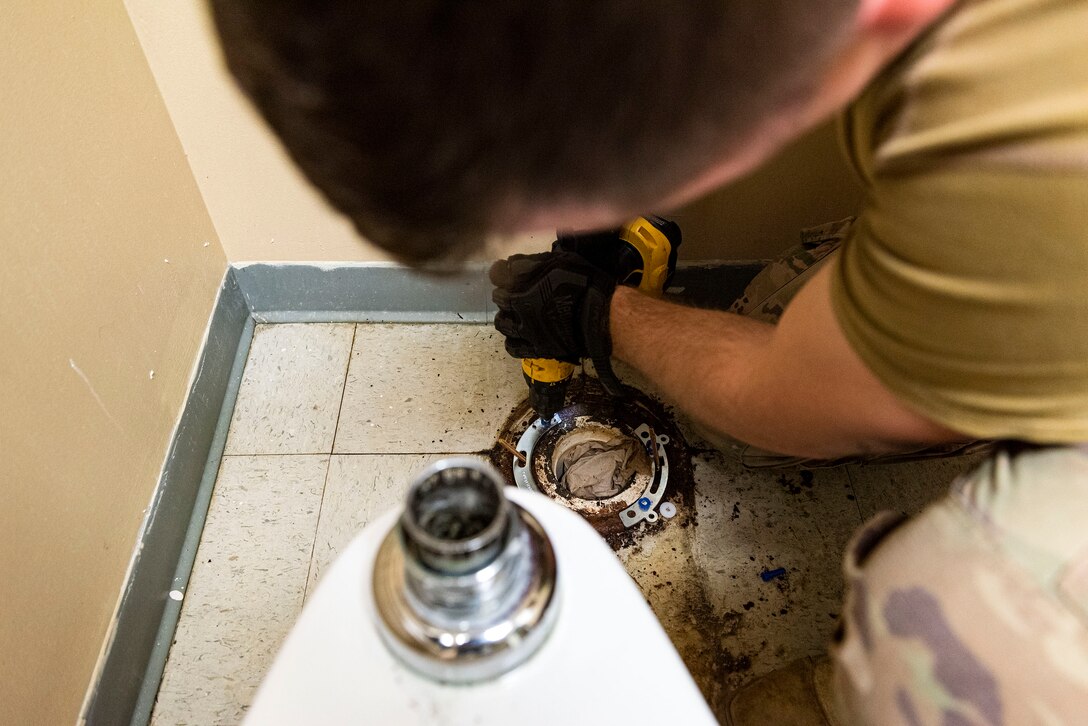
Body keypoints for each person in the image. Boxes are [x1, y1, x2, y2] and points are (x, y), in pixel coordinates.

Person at [211, 0, 1088, 722]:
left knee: (953, 623)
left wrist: (602, 315)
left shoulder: (1029, 153)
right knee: (769, 354)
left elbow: (788, 399)